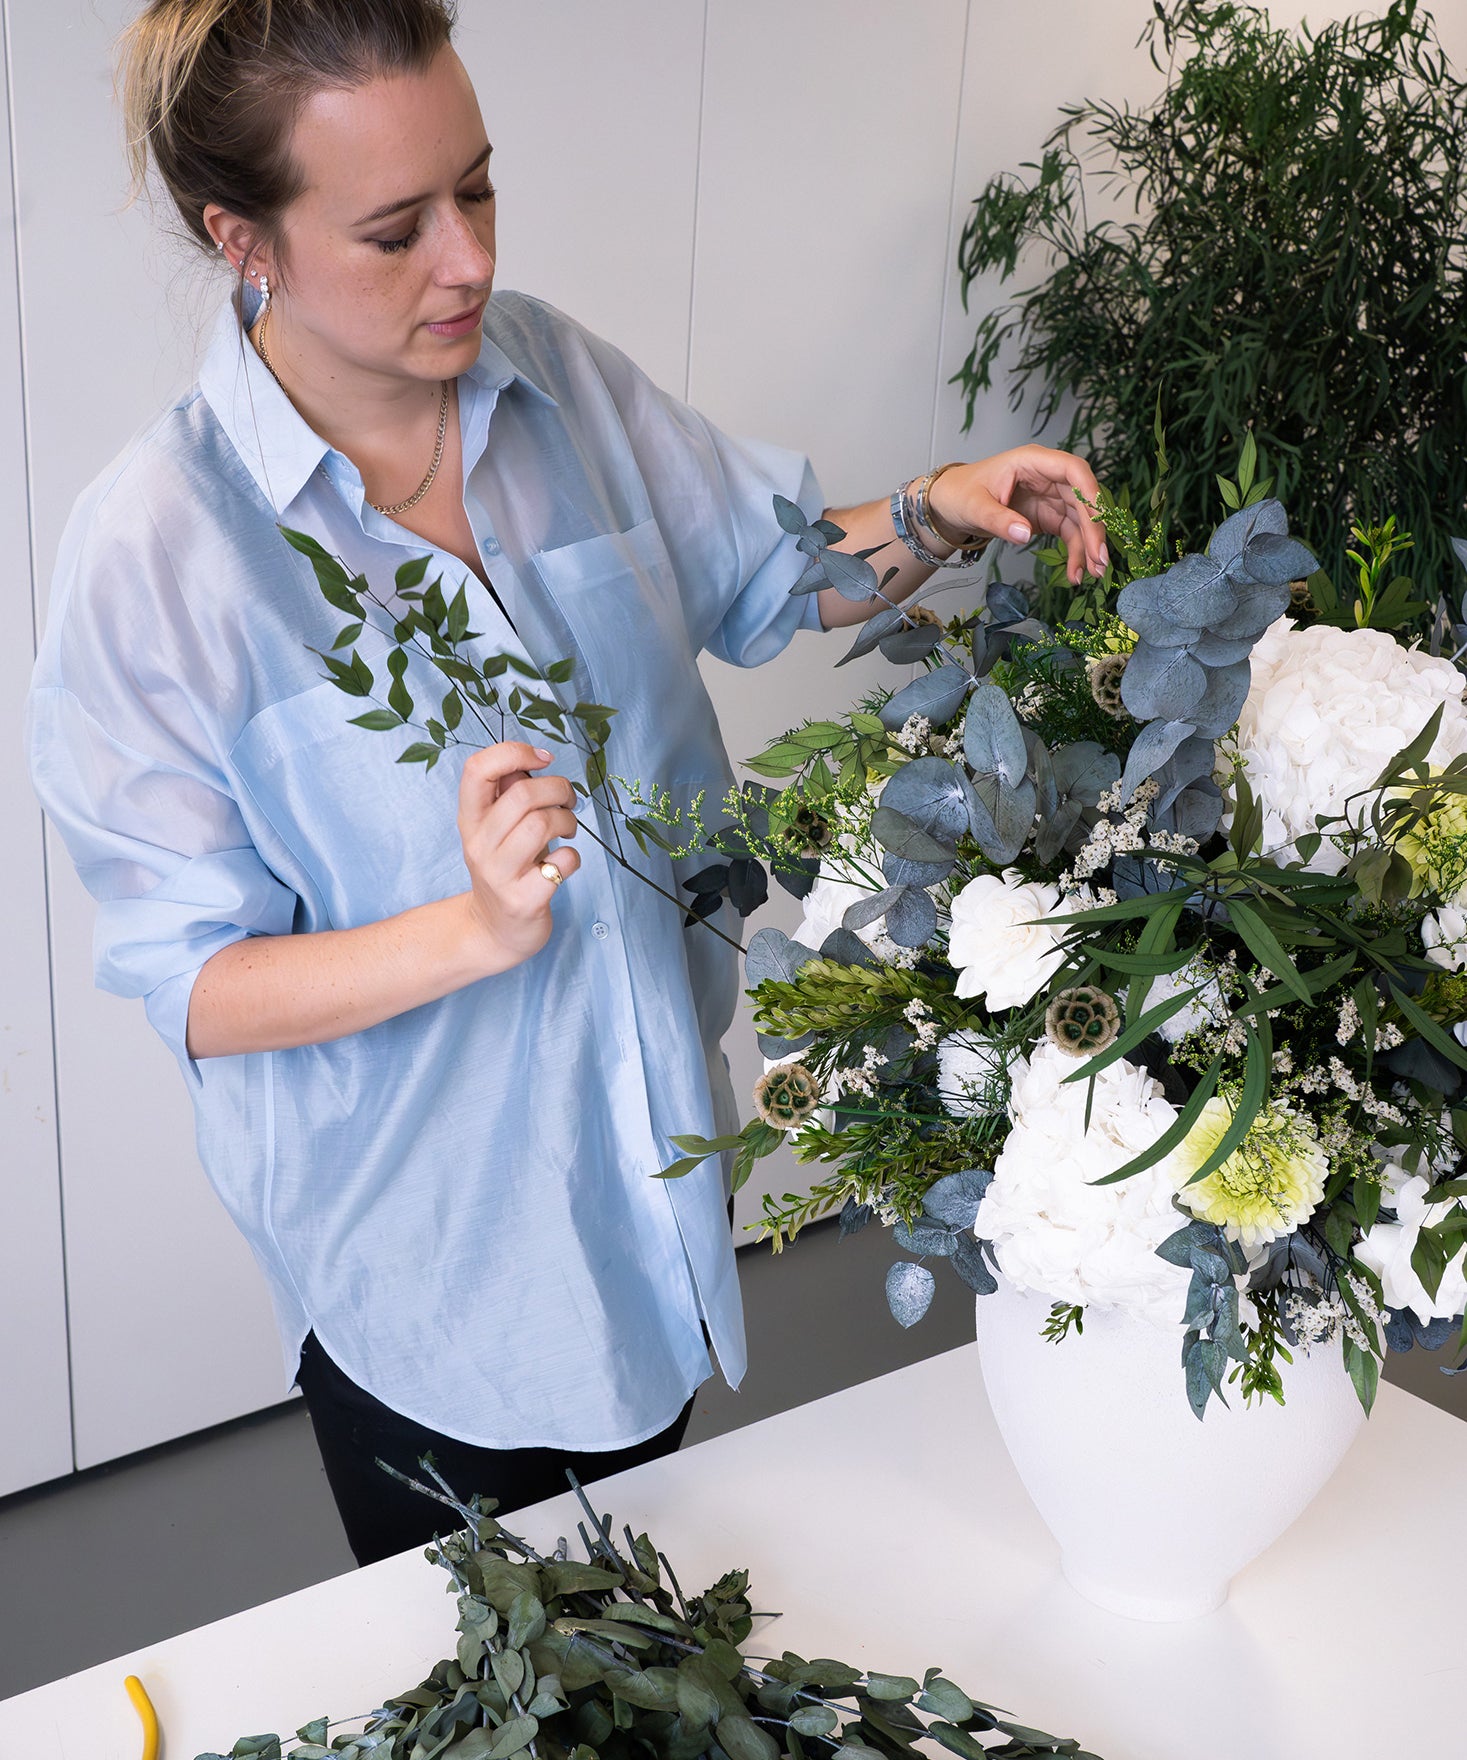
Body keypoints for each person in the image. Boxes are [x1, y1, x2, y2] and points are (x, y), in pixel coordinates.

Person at [27, 0, 1108, 1566]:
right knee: (502, 1674)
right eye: (396, 229)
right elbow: (196, 985)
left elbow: (767, 572)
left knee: (651, 1629)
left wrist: (939, 514)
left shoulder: (549, 379)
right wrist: (468, 927)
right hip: (430, 1266)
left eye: (477, 189)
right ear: (241, 237)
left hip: (660, 1194)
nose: (465, 259)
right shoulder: (156, 557)